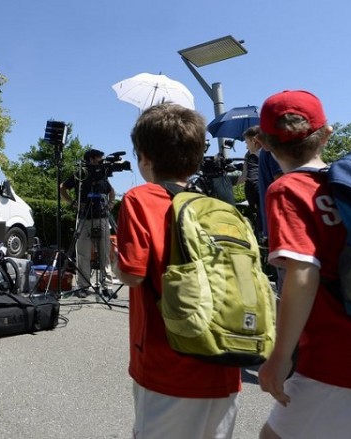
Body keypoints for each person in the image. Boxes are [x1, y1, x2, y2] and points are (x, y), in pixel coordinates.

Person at [114, 103, 241, 438]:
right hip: (225, 363)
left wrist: (116, 256)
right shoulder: (217, 206)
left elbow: (131, 274)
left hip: (167, 367)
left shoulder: (140, 199)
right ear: (197, 157)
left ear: (144, 157)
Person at [255, 90, 351, 438]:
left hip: (334, 360)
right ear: (327, 133)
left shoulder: (287, 190)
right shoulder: (349, 187)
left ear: (264, 144)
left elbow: (302, 274)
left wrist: (279, 357)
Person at [60, 149, 115, 298]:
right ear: (91, 159)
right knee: (83, 254)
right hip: (83, 217)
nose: (101, 162)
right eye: (99, 159)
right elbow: (62, 187)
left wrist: (110, 204)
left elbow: (112, 192)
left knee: (104, 253)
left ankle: (107, 286)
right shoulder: (80, 174)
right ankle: (82, 286)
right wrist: (73, 204)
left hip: (102, 216)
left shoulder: (102, 175)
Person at [236, 126, 262, 237]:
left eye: (247, 142)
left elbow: (249, 178)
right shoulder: (271, 153)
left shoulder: (252, 156)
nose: (246, 146)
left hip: (259, 197)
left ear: (254, 140)